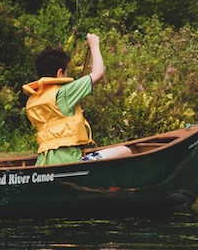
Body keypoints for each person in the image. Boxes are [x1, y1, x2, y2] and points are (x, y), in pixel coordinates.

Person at [22, 32, 133, 166]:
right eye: (67, 71)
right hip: (70, 162)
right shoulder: (64, 92)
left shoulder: (32, 100)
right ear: (60, 73)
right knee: (124, 151)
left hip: (42, 164)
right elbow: (98, 72)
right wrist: (94, 45)